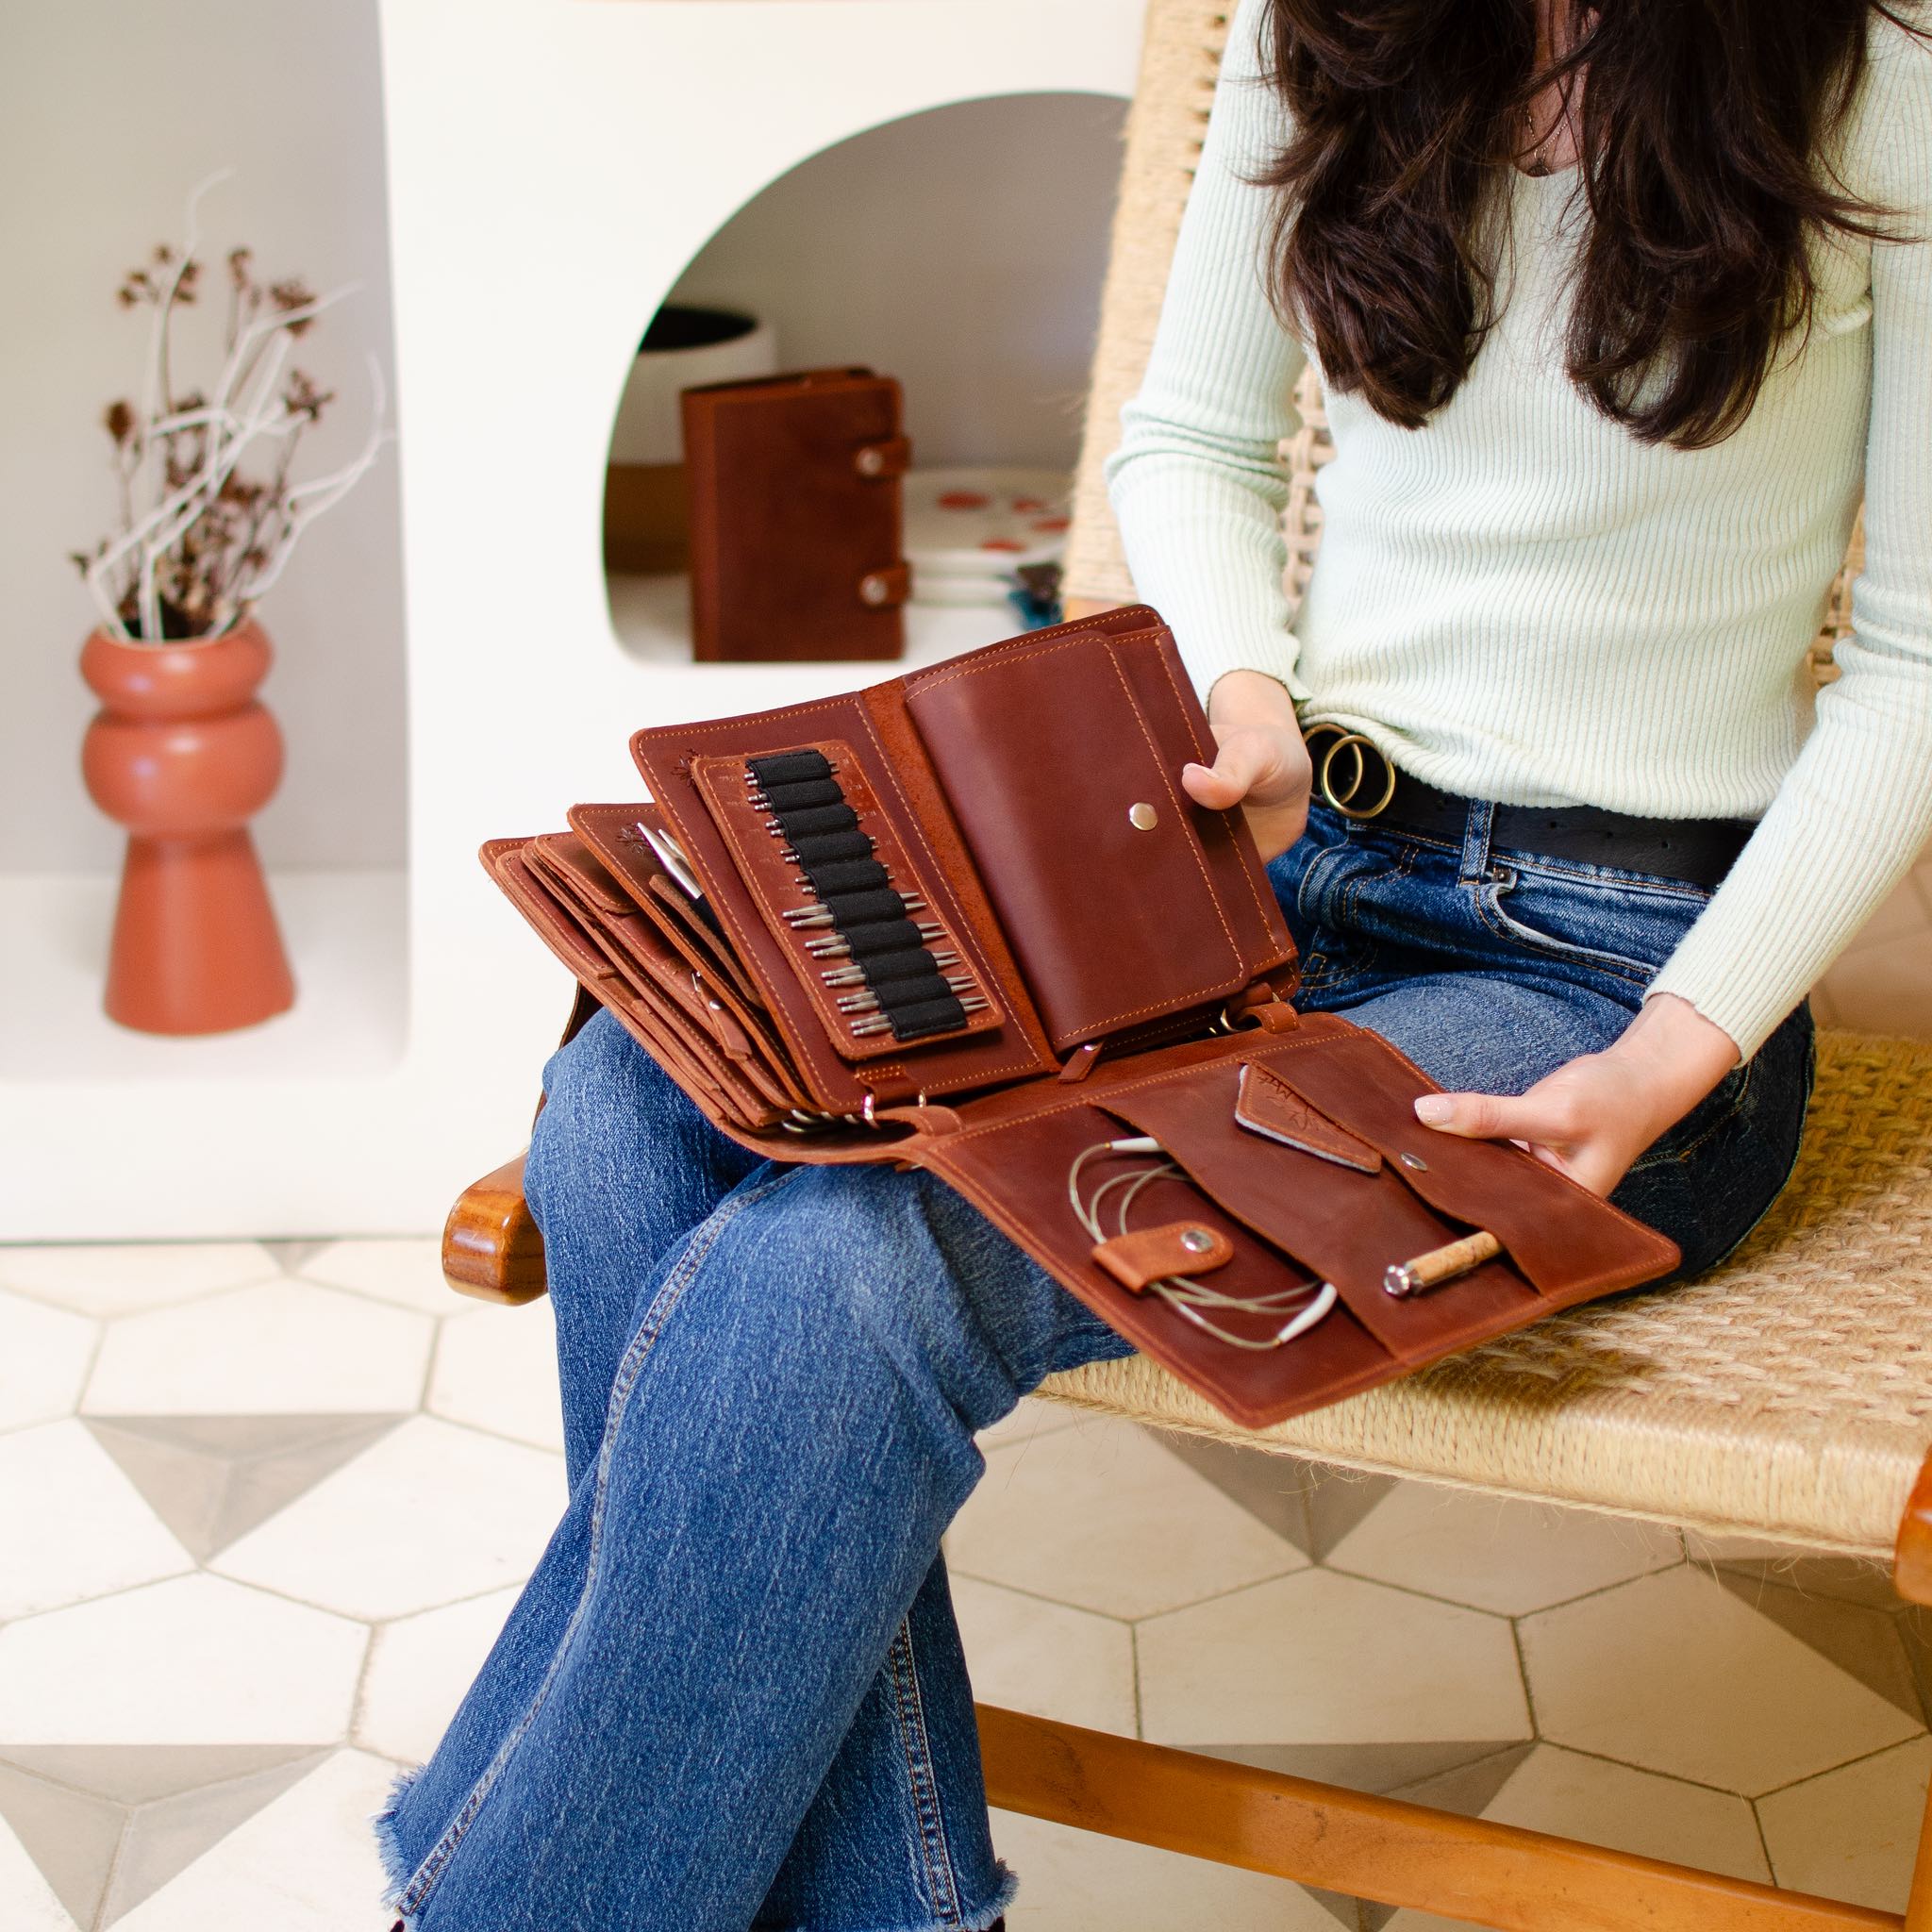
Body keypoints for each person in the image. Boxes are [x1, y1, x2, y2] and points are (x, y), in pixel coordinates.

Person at [375, 1, 1932, 1925]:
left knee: (850, 1264)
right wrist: (1247, 686)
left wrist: (1674, 1056)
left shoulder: (1885, 102)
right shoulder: (1335, 32)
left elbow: (1916, 668)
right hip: (1276, 862)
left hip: (1611, 979)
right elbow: (1188, 434)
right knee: (635, 1086)